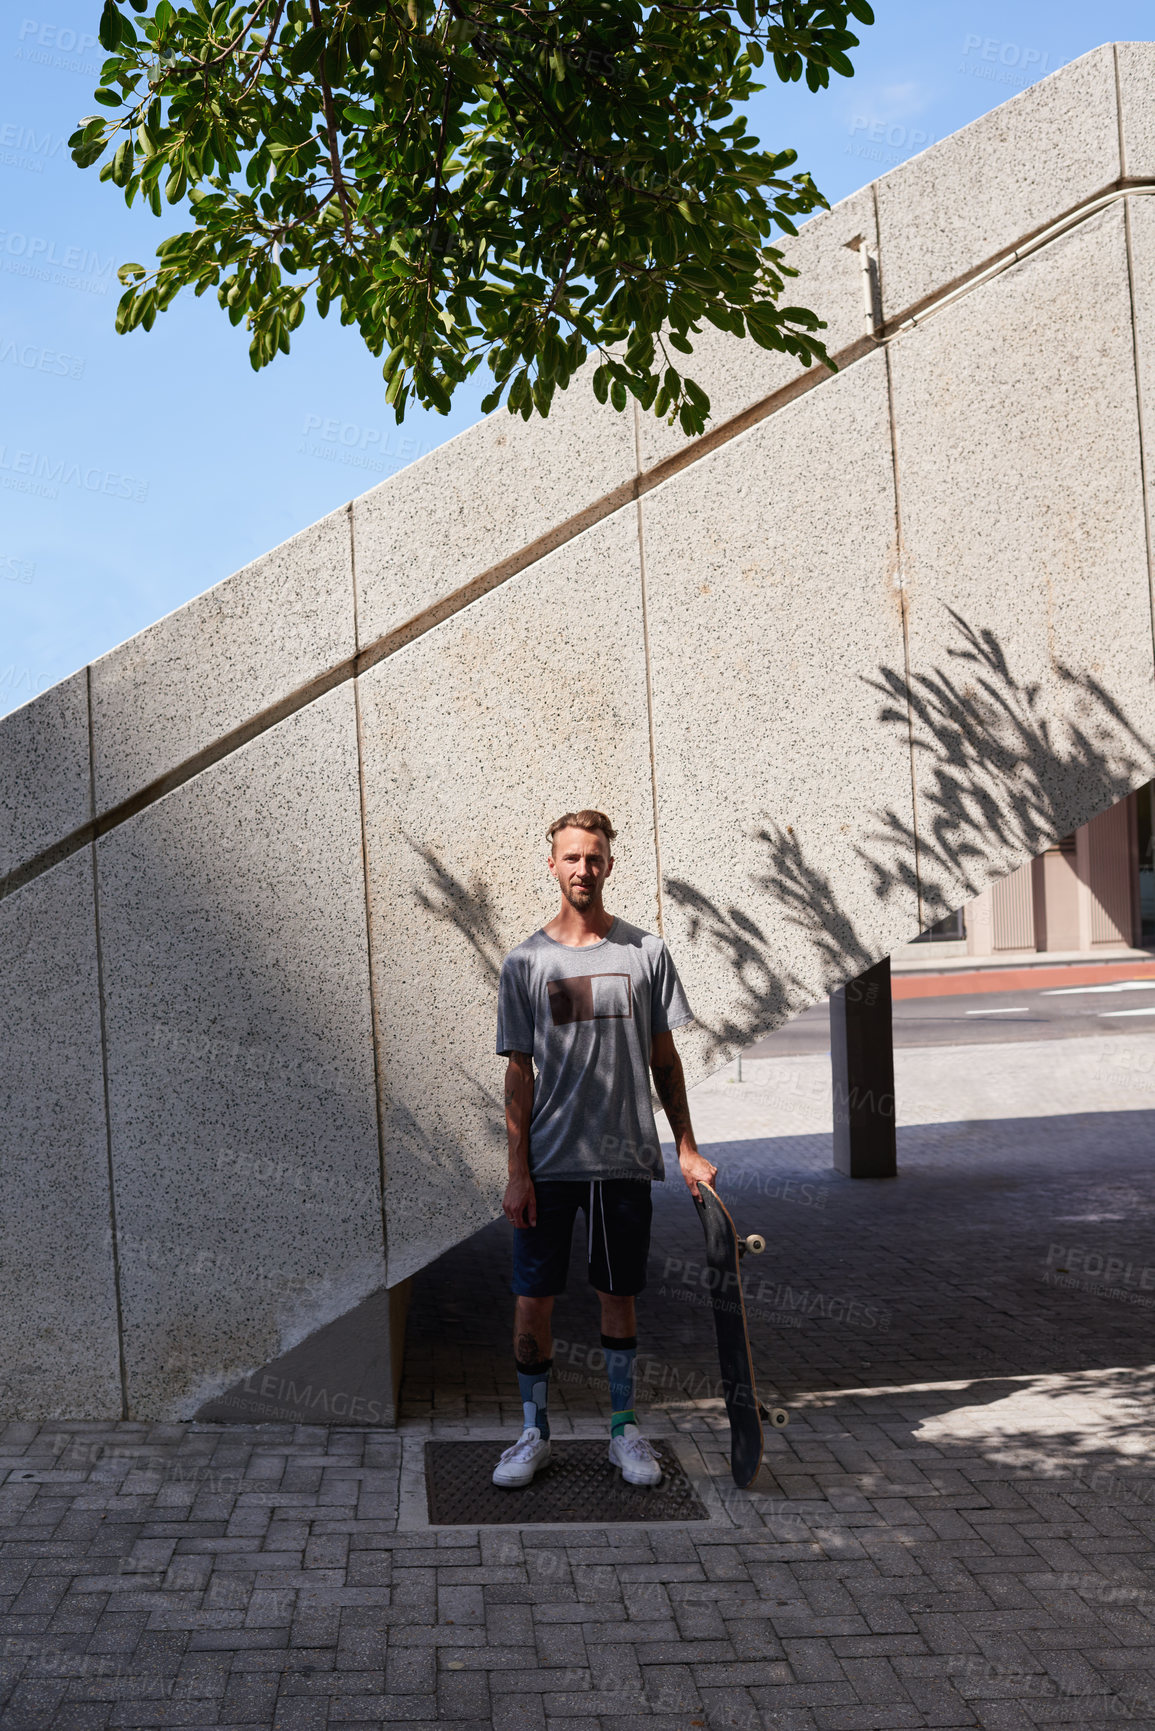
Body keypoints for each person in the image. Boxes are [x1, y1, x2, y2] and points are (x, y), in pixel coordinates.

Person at [492, 808, 716, 1489]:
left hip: (622, 1164)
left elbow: (665, 1061)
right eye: (571, 857)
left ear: (609, 864)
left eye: (593, 857)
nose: (582, 868)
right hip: (550, 1164)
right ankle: (533, 1430)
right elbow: (517, 1071)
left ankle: (624, 1432)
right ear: (552, 865)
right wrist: (515, 1170)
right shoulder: (526, 961)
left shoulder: (644, 953)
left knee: (617, 1295)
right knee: (534, 1299)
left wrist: (686, 1146)